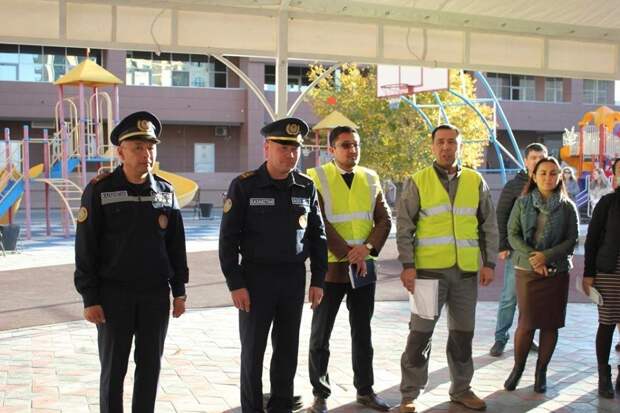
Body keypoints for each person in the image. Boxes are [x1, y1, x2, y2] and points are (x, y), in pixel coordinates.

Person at [74, 111, 189, 413]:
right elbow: (85, 248)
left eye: (150, 147)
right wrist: (90, 298)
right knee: (114, 369)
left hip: (155, 295)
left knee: (150, 368)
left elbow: (176, 246)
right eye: (138, 147)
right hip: (114, 296)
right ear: (120, 152)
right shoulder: (100, 190)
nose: (146, 154)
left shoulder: (165, 192)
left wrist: (179, 291)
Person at [218, 117, 327, 413]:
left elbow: (317, 236)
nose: (290, 155)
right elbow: (228, 240)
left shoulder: (305, 186)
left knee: (287, 351)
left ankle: (281, 406)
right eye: (283, 148)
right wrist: (235, 284)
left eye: (295, 149)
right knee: (253, 352)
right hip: (255, 280)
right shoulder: (245, 186)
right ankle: (252, 408)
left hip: (292, 279)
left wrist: (318, 280)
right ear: (267, 148)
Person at [397, 124, 498, 412]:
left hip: (465, 273)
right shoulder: (418, 181)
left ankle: (462, 389)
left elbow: (488, 225)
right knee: (420, 335)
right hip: (427, 274)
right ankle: (410, 394)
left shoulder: (475, 181)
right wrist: (408, 266)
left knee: (463, 335)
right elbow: (404, 227)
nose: (446, 147)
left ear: (459, 145)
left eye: (451, 141)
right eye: (440, 142)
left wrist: (489, 262)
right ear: (432, 146)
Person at [306, 126, 392, 413]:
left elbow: (384, 219)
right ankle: (320, 393)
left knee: (363, 333)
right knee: (320, 335)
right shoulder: (316, 177)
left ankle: (365, 391)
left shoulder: (370, 177)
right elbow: (317, 221)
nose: (352, 150)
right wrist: (348, 253)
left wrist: (366, 249)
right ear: (331, 150)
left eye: (356, 144)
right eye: (345, 145)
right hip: (331, 269)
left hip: (363, 269)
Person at [503, 156, 579, 394]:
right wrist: (534, 258)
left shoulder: (567, 207)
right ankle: (517, 369)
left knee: (550, 324)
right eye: (543, 173)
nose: (548, 177)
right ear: (534, 177)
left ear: (559, 177)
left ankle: (541, 371)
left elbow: (572, 240)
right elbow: (512, 234)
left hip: (556, 272)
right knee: (526, 324)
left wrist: (546, 256)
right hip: (527, 271)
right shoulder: (522, 202)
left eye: (553, 173)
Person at [489, 143, 547, 357]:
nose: (537, 161)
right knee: (509, 297)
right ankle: (500, 338)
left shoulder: (549, 184)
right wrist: (503, 245)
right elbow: (501, 215)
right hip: (517, 251)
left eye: (541, 157)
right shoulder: (514, 186)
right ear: (526, 161)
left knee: (532, 298)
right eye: (533, 157)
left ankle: (527, 336)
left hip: (541, 252)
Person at [582, 157, 620, 397]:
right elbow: (592, 240)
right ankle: (603, 375)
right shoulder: (607, 203)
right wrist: (588, 273)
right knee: (607, 323)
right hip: (610, 270)